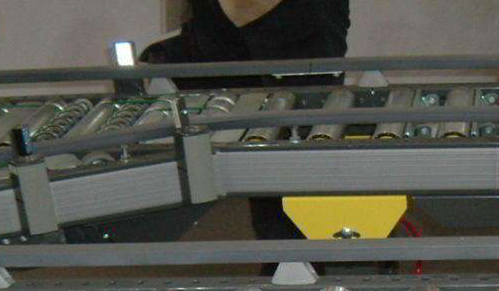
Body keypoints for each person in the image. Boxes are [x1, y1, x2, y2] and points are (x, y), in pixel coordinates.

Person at [144, 1, 351, 240]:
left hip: (297, 59)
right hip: (242, 55)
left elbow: (243, 11)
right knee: (264, 173)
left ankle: (302, 244)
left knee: (292, 168)